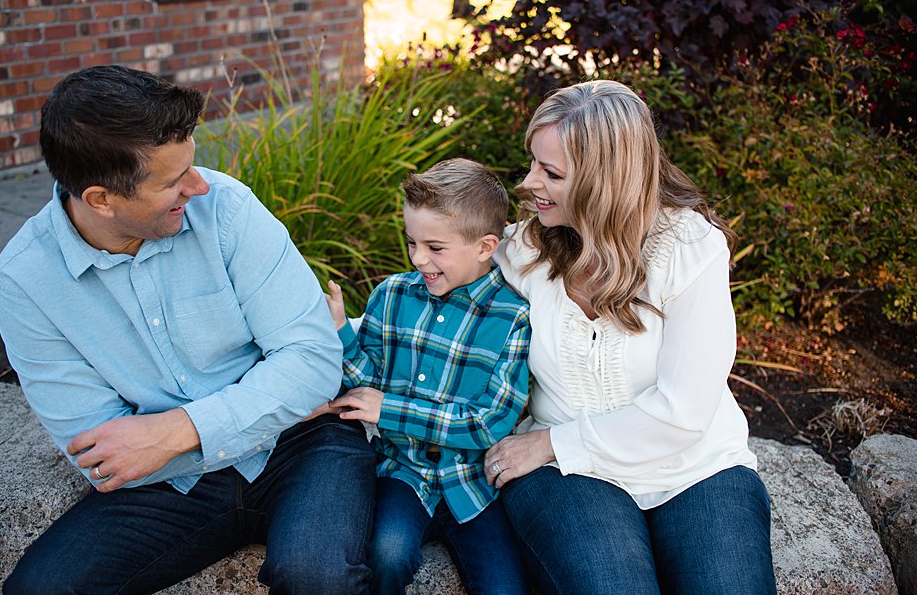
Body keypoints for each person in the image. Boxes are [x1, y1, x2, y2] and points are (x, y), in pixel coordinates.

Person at [0, 65, 375, 594]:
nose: (200, 185)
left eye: (192, 164)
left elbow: (311, 361)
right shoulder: (25, 282)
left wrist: (174, 432)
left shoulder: (228, 209)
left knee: (316, 575)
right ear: (101, 199)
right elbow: (105, 454)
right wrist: (268, 401)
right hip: (174, 482)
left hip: (304, 442)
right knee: (42, 589)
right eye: (173, 181)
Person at [484, 80, 777, 594]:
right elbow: (435, 311)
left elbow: (684, 410)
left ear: (605, 182)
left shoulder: (690, 248)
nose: (529, 183)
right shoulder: (524, 250)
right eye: (533, 163)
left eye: (551, 173)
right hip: (567, 478)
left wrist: (553, 443)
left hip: (693, 468)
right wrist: (338, 335)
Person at [317, 158, 533, 595]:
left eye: (435, 247)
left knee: (506, 587)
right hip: (403, 474)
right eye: (412, 242)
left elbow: (490, 422)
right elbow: (367, 382)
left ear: (485, 246)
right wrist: (340, 330)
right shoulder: (392, 295)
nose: (418, 258)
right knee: (387, 553)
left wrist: (391, 410)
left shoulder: (513, 317)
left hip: (473, 484)